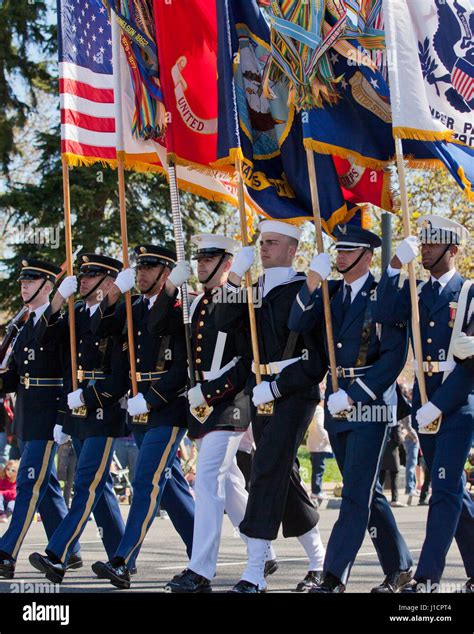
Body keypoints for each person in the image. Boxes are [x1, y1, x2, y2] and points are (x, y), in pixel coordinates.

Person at [289, 224, 413, 594]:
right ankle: (401, 568)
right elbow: (297, 323)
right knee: (367, 493)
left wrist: (357, 393)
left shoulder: (384, 295)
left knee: (355, 492)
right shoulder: (330, 293)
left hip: (370, 405)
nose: (339, 257)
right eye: (338, 251)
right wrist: (312, 279)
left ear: (366, 256)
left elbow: (393, 357)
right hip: (337, 401)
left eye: (347, 251)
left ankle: (333, 575)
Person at [159, 234, 277, 593]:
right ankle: (262, 549)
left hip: (229, 401)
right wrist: (168, 290)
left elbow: (245, 360)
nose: (201, 265)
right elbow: (154, 330)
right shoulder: (195, 303)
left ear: (227, 263)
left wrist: (209, 392)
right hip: (202, 402)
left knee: (207, 481)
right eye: (199, 259)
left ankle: (200, 569)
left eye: (209, 259)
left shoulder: (238, 298)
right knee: (228, 482)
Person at [215, 220, 327, 593]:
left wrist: (277, 388)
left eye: (273, 243)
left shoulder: (305, 290)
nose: (263, 249)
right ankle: (319, 559)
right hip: (257, 390)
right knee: (281, 471)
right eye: (262, 242)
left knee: (265, 468)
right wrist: (232, 280)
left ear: (293, 249)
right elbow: (220, 323)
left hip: (293, 393)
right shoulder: (251, 289)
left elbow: (315, 362)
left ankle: (255, 569)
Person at [375, 214, 474, 593]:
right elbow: (384, 313)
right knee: (455, 493)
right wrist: (395, 266)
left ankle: (428, 577)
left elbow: (471, 365)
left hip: (456, 402)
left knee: (444, 490)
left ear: (452, 249)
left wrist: (441, 404)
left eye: (433, 244)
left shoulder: (468, 293)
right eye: (423, 243)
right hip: (424, 401)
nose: (425, 248)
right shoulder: (416, 291)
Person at [90, 244, 194, 589]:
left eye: (150, 267)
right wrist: (113, 294)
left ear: (166, 273)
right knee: (170, 489)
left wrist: (151, 399)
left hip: (167, 406)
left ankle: (123, 560)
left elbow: (182, 367)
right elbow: (98, 330)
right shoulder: (131, 307)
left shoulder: (180, 309)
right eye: (139, 267)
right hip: (139, 408)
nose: (141, 272)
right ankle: (202, 552)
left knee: (145, 481)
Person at [29, 253, 130, 584]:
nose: (83, 279)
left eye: (92, 275)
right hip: (78, 412)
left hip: (103, 409)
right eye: (82, 274)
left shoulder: (119, 316)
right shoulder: (73, 315)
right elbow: (43, 338)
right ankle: (122, 556)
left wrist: (88, 396)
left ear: (108, 282)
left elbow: (119, 376)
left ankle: (58, 552)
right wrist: (57, 298)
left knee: (85, 484)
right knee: (99, 487)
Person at [0, 259, 82, 578]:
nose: (23, 285)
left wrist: (63, 416)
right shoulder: (25, 327)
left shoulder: (58, 324)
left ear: (48, 287)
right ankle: (70, 550)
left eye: (31, 281)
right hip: (26, 416)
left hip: (47, 416)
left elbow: (66, 374)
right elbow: (17, 376)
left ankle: (7, 551)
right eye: (22, 280)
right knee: (45, 486)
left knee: (28, 483)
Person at [306, 401, 332, 506]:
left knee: (316, 468)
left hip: (312, 443)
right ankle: (316, 491)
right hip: (319, 445)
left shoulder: (312, 409)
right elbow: (320, 427)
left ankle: (317, 490)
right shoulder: (319, 410)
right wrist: (328, 439)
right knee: (319, 469)